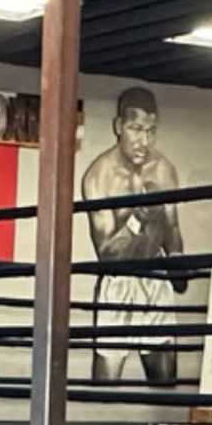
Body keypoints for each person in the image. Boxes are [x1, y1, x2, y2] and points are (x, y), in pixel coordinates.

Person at [82, 86, 193, 388]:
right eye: (135, 129)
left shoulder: (163, 170)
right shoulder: (100, 175)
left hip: (155, 276)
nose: (143, 140)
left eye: (150, 130)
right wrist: (135, 220)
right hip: (118, 281)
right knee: (106, 385)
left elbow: (172, 228)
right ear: (119, 127)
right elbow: (106, 252)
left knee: (165, 381)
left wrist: (179, 266)